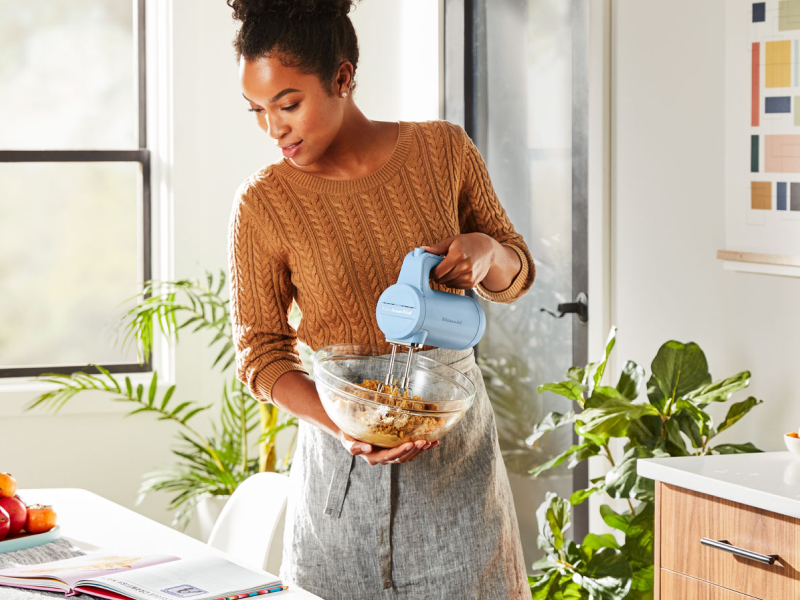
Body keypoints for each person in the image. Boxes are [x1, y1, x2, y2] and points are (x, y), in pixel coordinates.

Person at [226, 1, 536, 598]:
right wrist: (344, 424)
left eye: (288, 104)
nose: (274, 128)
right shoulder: (263, 203)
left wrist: (486, 252)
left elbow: (516, 274)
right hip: (336, 487)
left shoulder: (443, 152)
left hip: (458, 480)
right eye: (258, 111)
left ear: (342, 78)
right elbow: (260, 354)